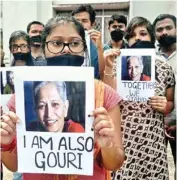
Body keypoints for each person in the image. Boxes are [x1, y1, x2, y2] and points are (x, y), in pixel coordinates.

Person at [1, 15, 125, 180]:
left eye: (74, 43)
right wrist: (6, 142)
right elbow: (14, 166)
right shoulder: (21, 94)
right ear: (44, 48)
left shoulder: (105, 94)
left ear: (84, 48)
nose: (66, 49)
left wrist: (107, 145)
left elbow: (114, 163)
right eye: (57, 43)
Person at [103, 16, 175, 180]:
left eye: (142, 33)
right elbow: (109, 96)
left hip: (153, 141)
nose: (137, 38)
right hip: (124, 139)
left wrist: (165, 105)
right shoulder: (117, 64)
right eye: (132, 35)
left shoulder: (165, 67)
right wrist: (108, 66)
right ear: (127, 40)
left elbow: (170, 103)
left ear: (151, 37)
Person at [153, 14, 176, 177]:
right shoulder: (151, 58)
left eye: (168, 28)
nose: (164, 32)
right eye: (159, 29)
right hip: (156, 126)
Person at [72, 4, 105, 79]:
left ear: (92, 24)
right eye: (76, 21)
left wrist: (99, 48)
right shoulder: (65, 46)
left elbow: (103, 75)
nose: (80, 24)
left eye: (84, 21)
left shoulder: (103, 48)